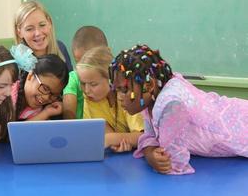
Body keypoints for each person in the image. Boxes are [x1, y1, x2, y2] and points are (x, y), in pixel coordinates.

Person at [110, 44, 248, 174]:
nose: (119, 97)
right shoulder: (154, 95)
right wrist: (150, 153)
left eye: (124, 90)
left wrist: (156, 160)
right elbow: (149, 136)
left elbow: (174, 163)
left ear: (149, 85)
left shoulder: (171, 106)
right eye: (117, 90)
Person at [76, 46, 144, 152]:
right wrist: (116, 141)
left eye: (93, 84)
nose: (86, 90)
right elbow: (106, 132)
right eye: (83, 83)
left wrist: (114, 139)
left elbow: (143, 137)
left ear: (111, 80)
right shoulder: (90, 98)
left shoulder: (128, 96)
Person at [63, 26, 108, 119]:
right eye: (77, 61)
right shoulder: (74, 77)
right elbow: (68, 111)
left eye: (88, 60)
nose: (82, 66)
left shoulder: (112, 78)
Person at [14, 0, 72, 71]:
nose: (38, 33)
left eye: (42, 25)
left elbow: (71, 80)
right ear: (19, 32)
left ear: (49, 23)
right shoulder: (16, 62)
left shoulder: (60, 48)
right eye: (29, 29)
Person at [12, 51, 69, 121]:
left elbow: (23, 130)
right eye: (45, 88)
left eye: (53, 95)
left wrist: (47, 112)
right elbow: (16, 130)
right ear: (30, 76)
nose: (46, 97)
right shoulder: (8, 94)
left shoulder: (43, 108)